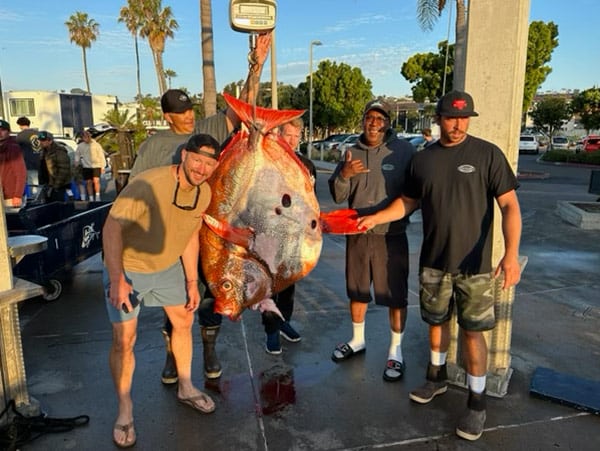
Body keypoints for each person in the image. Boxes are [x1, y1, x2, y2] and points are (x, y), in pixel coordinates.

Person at [357, 91, 522, 441]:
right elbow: (407, 202)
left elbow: (509, 206)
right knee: (436, 322)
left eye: (464, 118)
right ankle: (436, 378)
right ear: (439, 119)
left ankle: (477, 402)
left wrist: (510, 254)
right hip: (433, 261)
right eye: (451, 118)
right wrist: (374, 219)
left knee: (473, 332)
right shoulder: (423, 159)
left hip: (475, 265)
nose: (458, 124)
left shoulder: (487, 154)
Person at [129, 32, 273, 383]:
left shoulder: (209, 127)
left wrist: (256, 65)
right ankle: (171, 356)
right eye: (180, 113)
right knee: (174, 300)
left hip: (211, 233)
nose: (189, 116)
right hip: (173, 236)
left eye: (190, 109)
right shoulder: (154, 145)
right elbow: (135, 192)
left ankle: (209, 349)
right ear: (167, 117)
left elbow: (240, 108)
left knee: (211, 295)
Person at [103, 133, 222, 448]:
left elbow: (190, 234)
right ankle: (125, 409)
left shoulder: (204, 192)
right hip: (129, 268)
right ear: (184, 155)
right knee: (124, 341)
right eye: (197, 159)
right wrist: (117, 278)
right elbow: (111, 227)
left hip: (168, 267)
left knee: (183, 323)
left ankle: (186, 385)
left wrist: (190, 281)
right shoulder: (148, 183)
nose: (201, 168)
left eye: (209, 163)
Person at [328, 99, 415, 382]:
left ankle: (396, 350)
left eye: (380, 118)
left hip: (391, 235)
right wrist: (344, 174)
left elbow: (416, 192)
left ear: (388, 122)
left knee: (395, 296)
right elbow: (338, 195)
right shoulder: (351, 151)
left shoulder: (403, 151)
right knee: (357, 290)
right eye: (370, 117)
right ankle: (357, 340)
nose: (374, 123)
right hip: (357, 234)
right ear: (363, 120)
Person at [262, 117, 317, 355]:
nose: (292, 141)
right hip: (270, 236)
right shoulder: (266, 163)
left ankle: (284, 322)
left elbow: (311, 201)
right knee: (269, 287)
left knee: (289, 285)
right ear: (278, 135)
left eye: (296, 136)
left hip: (296, 237)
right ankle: (271, 332)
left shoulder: (306, 164)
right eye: (288, 135)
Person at [36, 130, 72, 203]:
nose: (41, 142)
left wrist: (56, 186)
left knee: (58, 206)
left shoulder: (59, 151)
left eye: (43, 140)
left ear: (50, 141)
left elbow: (64, 170)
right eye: (40, 140)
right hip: (46, 185)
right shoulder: (43, 151)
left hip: (58, 186)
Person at [0, 119, 27, 210]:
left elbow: (21, 173)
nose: (0, 132)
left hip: (10, 196)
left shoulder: (13, 147)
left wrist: (17, 195)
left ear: (8, 132)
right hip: (1, 195)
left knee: (11, 222)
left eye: (3, 130)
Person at [74, 130, 106, 200]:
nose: (86, 138)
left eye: (87, 137)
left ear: (90, 137)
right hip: (86, 166)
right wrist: (76, 162)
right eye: (84, 137)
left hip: (96, 165)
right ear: (82, 138)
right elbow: (77, 155)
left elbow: (101, 155)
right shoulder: (80, 146)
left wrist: (102, 166)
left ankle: (97, 196)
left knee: (96, 180)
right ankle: (91, 198)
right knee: (89, 182)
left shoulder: (96, 145)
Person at [15, 116, 40, 196]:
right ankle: (39, 198)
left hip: (27, 162)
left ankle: (33, 199)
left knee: (31, 183)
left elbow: (16, 149)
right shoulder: (37, 133)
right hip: (39, 161)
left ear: (21, 125)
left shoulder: (21, 135)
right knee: (38, 182)